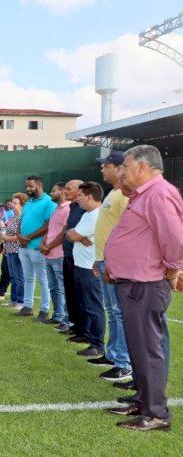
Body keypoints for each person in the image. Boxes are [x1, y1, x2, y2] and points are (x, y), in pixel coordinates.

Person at [105, 145, 183, 432]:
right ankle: (143, 399)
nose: (122, 172)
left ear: (142, 166)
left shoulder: (159, 193)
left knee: (148, 349)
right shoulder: (145, 194)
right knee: (138, 347)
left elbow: (175, 238)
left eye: (125, 166)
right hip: (135, 282)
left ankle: (156, 413)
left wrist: (174, 269)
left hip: (145, 284)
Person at [91, 151, 132, 382]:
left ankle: (124, 362)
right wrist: (99, 259)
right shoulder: (113, 193)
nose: (101, 169)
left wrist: (111, 261)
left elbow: (124, 230)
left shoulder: (123, 195)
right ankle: (113, 355)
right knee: (112, 310)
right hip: (104, 260)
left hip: (114, 262)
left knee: (119, 312)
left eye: (105, 165)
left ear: (118, 168)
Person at [66, 182, 105, 358]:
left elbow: (73, 235)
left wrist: (77, 236)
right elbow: (71, 233)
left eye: (80, 196)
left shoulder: (95, 215)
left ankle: (97, 344)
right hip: (81, 265)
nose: (78, 199)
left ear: (89, 196)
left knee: (93, 306)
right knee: (83, 303)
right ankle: (86, 334)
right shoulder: (88, 214)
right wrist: (78, 236)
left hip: (90, 268)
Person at [13, 176, 56, 320]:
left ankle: (44, 310)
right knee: (28, 278)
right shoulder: (28, 202)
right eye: (27, 186)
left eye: (30, 186)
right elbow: (21, 220)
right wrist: (19, 234)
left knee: (43, 279)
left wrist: (29, 237)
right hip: (24, 247)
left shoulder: (48, 202)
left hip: (37, 248)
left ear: (39, 185)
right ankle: (27, 306)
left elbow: (48, 224)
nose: (28, 189)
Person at [38, 182, 71, 327]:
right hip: (49, 254)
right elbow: (50, 229)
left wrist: (49, 246)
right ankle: (57, 315)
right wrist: (43, 244)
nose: (51, 193)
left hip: (59, 254)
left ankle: (66, 319)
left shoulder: (68, 209)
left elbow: (64, 232)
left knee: (63, 287)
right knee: (53, 287)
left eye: (53, 190)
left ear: (63, 192)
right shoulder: (56, 209)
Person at [60, 179, 86, 337]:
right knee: (70, 292)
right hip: (68, 255)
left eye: (69, 189)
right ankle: (75, 325)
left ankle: (84, 330)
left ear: (79, 190)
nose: (65, 191)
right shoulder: (73, 207)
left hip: (79, 258)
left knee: (79, 294)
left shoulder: (85, 209)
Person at [0, 193, 27, 309]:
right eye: (12, 202)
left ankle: (21, 302)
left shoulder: (23, 218)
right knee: (12, 276)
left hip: (17, 250)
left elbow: (21, 235)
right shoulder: (12, 217)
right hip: (9, 250)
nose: (12, 205)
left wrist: (7, 238)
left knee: (19, 277)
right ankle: (13, 299)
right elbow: (5, 230)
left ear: (22, 205)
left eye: (15, 203)